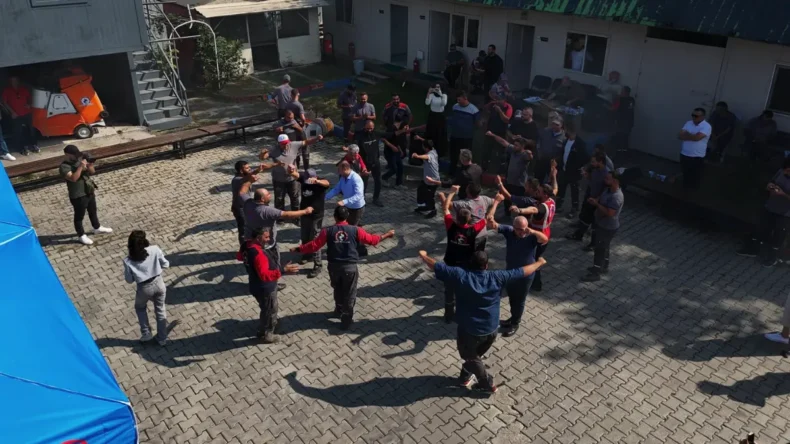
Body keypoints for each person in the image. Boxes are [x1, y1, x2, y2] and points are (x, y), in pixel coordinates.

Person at [418, 249, 547, 392]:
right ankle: (464, 378)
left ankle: (487, 383)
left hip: (469, 331)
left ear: (469, 264)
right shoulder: (497, 277)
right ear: (486, 265)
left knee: (471, 357)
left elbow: (436, 265)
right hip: (492, 330)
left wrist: (423, 255)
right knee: (475, 356)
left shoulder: (460, 275)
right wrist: (539, 263)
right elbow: (522, 271)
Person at [293, 206, 396, 330]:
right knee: (350, 293)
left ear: (335, 217)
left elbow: (314, 246)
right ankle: (346, 320)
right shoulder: (356, 230)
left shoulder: (328, 231)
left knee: (338, 289)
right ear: (347, 217)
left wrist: (299, 249)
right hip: (350, 268)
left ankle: (339, 309)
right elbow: (372, 240)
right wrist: (387, 235)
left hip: (333, 267)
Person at [238, 175, 314, 290]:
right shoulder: (267, 211)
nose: (270, 195)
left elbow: (242, 191)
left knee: (253, 265)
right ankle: (273, 284)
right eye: (268, 194)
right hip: (267, 245)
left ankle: (255, 280)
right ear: (262, 199)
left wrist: (249, 180)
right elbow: (286, 214)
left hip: (250, 242)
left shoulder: (248, 203)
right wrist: (305, 211)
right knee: (271, 265)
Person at [495, 166, 558, 292]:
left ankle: (534, 282)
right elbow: (556, 188)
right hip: (546, 232)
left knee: (532, 259)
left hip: (538, 235)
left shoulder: (541, 206)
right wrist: (554, 175)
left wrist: (520, 210)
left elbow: (533, 209)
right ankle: (534, 281)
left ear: (544, 194)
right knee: (535, 257)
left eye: (539, 192)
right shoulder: (552, 199)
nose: (537, 193)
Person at [486, 213, 547, 337]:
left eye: (524, 228)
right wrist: (492, 219)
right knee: (512, 297)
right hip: (511, 272)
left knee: (519, 300)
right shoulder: (509, 231)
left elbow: (545, 239)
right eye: (519, 229)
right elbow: (494, 226)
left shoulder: (531, 236)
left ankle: (515, 323)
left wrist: (533, 231)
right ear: (514, 227)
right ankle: (512, 318)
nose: (522, 231)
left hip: (526, 275)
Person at [238, 227, 300, 343]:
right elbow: (265, 276)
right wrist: (282, 270)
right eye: (266, 237)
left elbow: (239, 257)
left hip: (254, 284)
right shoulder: (259, 255)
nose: (269, 239)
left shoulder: (246, 245)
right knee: (270, 310)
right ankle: (267, 334)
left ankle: (264, 328)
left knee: (265, 308)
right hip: (265, 288)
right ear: (258, 238)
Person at [439, 185, 488, 323]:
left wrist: (451, 193)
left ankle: (448, 315)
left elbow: (445, 208)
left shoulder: (450, 225)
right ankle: (462, 313)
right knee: (463, 290)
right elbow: (487, 218)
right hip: (465, 265)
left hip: (450, 262)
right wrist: (495, 202)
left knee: (449, 290)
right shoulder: (473, 230)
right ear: (469, 220)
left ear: (457, 218)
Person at [737, 158, 790, 267]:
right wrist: (770, 186)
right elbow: (772, 182)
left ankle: (773, 256)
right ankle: (754, 249)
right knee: (762, 226)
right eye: (784, 169)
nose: (785, 172)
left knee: (779, 233)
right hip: (771, 205)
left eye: (788, 171)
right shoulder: (781, 171)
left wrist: (783, 194)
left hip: (785, 212)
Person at [59, 145, 113, 245]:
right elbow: (73, 179)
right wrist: (80, 167)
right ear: (67, 155)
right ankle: (81, 235)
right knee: (79, 217)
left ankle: (97, 227)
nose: (77, 157)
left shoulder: (81, 159)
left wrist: (90, 165)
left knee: (93, 211)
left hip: (89, 191)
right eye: (74, 155)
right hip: (78, 195)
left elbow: (92, 172)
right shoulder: (64, 166)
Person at [124, 230, 170, 345]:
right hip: (159, 283)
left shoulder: (128, 260)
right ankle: (162, 338)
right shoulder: (155, 249)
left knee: (140, 308)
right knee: (160, 309)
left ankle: (146, 333)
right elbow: (166, 264)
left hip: (144, 288)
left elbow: (129, 280)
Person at [262, 134, 323, 219]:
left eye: (286, 143)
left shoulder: (293, 144)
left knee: (295, 197)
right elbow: (263, 158)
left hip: (293, 178)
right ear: (278, 143)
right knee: (279, 198)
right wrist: (263, 153)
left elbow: (306, 142)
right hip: (278, 179)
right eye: (283, 144)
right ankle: (280, 217)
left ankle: (296, 217)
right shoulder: (273, 149)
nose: (285, 145)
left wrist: (316, 138)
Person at [582, 171, 624, 282]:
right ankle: (604, 266)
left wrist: (597, 205)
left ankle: (596, 273)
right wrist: (595, 201)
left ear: (615, 181)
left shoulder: (616, 197)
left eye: (608, 178)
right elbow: (601, 199)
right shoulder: (608, 190)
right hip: (601, 224)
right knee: (605, 246)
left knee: (600, 249)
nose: (605, 180)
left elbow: (610, 213)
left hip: (607, 227)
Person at [292, 168, 330, 278]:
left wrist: (317, 181)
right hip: (305, 214)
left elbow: (327, 183)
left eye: (310, 178)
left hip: (316, 216)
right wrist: (290, 170)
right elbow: (295, 175)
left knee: (315, 239)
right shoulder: (303, 179)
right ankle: (307, 254)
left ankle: (318, 264)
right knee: (304, 236)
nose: (308, 180)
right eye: (307, 177)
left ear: (315, 176)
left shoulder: (320, 183)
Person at [325, 160, 369, 256]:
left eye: (339, 170)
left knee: (352, 229)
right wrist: (325, 197)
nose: (338, 172)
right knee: (349, 227)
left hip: (357, 209)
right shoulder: (343, 178)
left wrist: (344, 201)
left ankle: (359, 249)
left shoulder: (356, 179)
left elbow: (359, 195)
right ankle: (353, 247)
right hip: (348, 207)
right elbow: (337, 189)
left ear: (345, 169)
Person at [485, 131, 533, 212]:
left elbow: (529, 158)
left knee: (520, 201)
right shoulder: (513, 150)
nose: (514, 146)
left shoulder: (524, 155)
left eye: (517, 145)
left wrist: (530, 154)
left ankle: (521, 216)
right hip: (510, 181)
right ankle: (507, 214)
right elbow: (503, 141)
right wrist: (493, 135)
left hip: (519, 184)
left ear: (522, 146)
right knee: (507, 199)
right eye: (514, 145)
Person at [567, 151, 609, 243]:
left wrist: (597, 199)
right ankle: (579, 232)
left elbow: (606, 190)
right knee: (584, 215)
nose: (592, 163)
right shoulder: (595, 169)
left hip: (597, 201)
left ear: (600, 162)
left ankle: (588, 240)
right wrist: (587, 176)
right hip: (590, 196)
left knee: (592, 221)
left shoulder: (606, 174)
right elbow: (592, 181)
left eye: (594, 162)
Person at [556, 121, 588, 218]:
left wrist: (578, 168)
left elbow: (585, 158)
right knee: (561, 189)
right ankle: (559, 206)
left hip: (574, 173)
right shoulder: (566, 141)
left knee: (574, 191)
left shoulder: (580, 143)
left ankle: (574, 209)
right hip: (564, 171)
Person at [2, 76, 39, 156]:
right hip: (16, 114)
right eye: (12, 81)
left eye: (15, 80)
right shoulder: (7, 91)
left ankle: (33, 145)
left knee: (31, 129)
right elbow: (5, 103)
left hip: (27, 112)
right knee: (18, 131)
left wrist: (29, 105)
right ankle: (20, 147)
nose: (14, 82)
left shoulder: (23, 89)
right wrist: (12, 112)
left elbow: (30, 98)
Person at [231, 160, 265, 248]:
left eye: (249, 167)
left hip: (247, 207)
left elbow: (249, 175)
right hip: (240, 208)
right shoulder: (237, 180)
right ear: (241, 171)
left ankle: (252, 244)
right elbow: (246, 179)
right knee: (243, 229)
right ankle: (244, 249)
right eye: (247, 168)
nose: (249, 169)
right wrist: (252, 180)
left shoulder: (244, 176)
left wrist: (258, 170)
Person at [452, 182, 493, 251]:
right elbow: (495, 201)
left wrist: (452, 192)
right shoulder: (485, 199)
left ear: (468, 192)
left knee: (471, 255)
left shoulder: (465, 204)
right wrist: (489, 213)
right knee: (480, 253)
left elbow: (446, 204)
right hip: (483, 233)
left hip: (473, 235)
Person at [678, 108, 712, 190]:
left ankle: (692, 193)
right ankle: (684, 190)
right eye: (692, 115)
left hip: (697, 156)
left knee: (694, 177)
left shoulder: (706, 126)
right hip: (684, 153)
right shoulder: (688, 123)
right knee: (685, 174)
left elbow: (697, 138)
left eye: (696, 116)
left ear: (703, 117)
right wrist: (692, 136)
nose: (693, 117)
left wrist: (687, 134)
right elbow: (680, 136)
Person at [448, 92, 480, 176]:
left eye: (460, 99)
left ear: (465, 98)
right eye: (457, 99)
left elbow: (477, 123)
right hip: (455, 136)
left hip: (466, 137)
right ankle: (452, 174)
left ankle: (464, 174)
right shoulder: (455, 107)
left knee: (465, 156)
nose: (458, 101)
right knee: (453, 155)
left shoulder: (473, 110)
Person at [354, 119, 384, 207]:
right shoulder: (360, 136)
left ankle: (376, 198)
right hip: (365, 163)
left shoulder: (376, 134)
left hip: (376, 161)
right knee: (364, 182)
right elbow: (356, 150)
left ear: (373, 127)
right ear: (364, 127)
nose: (369, 130)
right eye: (367, 129)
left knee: (378, 180)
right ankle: (361, 199)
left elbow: (391, 134)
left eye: (371, 128)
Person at [411, 136, 441, 218]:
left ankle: (433, 210)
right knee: (421, 189)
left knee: (429, 196)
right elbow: (428, 142)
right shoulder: (434, 150)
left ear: (426, 148)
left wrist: (417, 156)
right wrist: (420, 138)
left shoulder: (430, 155)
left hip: (432, 181)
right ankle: (423, 206)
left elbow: (426, 157)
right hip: (427, 180)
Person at [482, 95, 513, 173]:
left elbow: (506, 119)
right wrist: (491, 103)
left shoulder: (508, 107)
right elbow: (485, 109)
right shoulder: (493, 105)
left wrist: (499, 111)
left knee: (499, 152)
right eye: (497, 99)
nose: (498, 101)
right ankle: (484, 168)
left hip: (501, 133)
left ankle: (497, 170)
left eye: (500, 99)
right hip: (490, 131)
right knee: (486, 151)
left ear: (504, 100)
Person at [536, 118, 567, 184]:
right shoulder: (545, 131)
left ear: (561, 125)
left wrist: (556, 160)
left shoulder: (564, 137)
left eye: (557, 125)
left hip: (553, 164)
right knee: (537, 179)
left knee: (550, 183)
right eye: (553, 124)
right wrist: (539, 153)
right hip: (542, 160)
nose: (554, 126)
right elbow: (539, 142)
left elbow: (563, 152)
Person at [382, 117, 410, 188]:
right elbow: (384, 139)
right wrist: (392, 147)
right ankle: (384, 178)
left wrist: (400, 150)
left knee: (400, 167)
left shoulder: (399, 129)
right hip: (389, 151)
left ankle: (398, 184)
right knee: (394, 168)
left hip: (396, 151)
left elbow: (396, 141)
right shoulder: (391, 128)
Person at [425, 84, 448, 157]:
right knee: (431, 133)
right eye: (436, 87)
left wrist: (440, 94)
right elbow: (427, 103)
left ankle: (440, 152)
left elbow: (443, 103)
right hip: (432, 116)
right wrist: (428, 93)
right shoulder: (432, 95)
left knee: (440, 133)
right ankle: (429, 149)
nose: (437, 89)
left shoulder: (444, 95)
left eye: (438, 87)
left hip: (440, 116)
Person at [610, 86, 635, 153]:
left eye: (622, 91)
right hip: (629, 122)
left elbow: (612, 109)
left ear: (625, 92)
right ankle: (623, 153)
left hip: (621, 122)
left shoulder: (620, 100)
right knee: (625, 138)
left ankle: (618, 153)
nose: (621, 92)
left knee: (619, 137)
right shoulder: (632, 99)